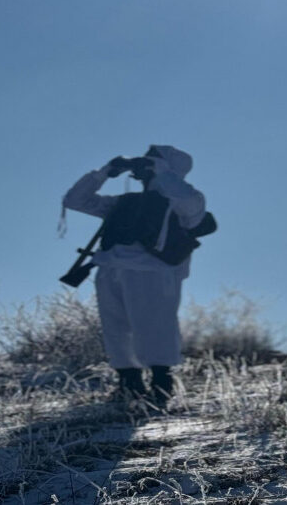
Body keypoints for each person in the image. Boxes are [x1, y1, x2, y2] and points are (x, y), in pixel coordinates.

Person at [62, 145, 206, 410]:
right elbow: (75, 200)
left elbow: (186, 200)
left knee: (155, 326)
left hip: (153, 272)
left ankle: (161, 385)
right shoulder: (124, 202)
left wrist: (162, 172)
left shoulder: (184, 200)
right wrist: (105, 172)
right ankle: (129, 384)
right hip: (110, 269)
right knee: (116, 328)